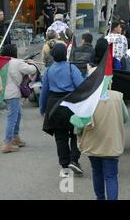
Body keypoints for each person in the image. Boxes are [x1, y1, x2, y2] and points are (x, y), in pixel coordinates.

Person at [77, 82, 129, 200]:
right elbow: (125, 118)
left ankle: (100, 198)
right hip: (112, 142)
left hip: (92, 142)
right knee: (111, 176)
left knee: (96, 171)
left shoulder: (87, 98)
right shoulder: (117, 97)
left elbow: (78, 126)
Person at [40, 44, 85, 177]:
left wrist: (43, 109)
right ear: (66, 54)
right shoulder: (72, 68)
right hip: (71, 103)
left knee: (60, 137)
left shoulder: (48, 70)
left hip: (54, 104)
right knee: (76, 133)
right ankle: (74, 160)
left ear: (53, 55)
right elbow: (81, 86)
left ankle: (65, 166)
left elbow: (44, 91)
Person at [1, 45, 37, 153]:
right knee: (12, 118)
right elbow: (32, 70)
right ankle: (7, 143)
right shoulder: (17, 62)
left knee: (18, 114)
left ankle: (15, 138)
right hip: (13, 94)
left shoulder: (2, 62)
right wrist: (32, 63)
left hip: (4, 93)